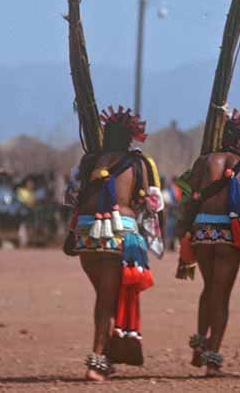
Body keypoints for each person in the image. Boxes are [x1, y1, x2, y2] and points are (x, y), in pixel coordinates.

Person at [62, 106, 164, 382]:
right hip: (119, 233)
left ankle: (107, 355)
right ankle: (97, 361)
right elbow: (153, 203)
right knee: (107, 300)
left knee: (105, 297)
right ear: (130, 138)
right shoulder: (140, 164)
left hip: (86, 234)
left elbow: (71, 196)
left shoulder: (88, 161)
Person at [174, 109, 240, 377]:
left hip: (202, 232)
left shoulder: (204, 160)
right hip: (230, 234)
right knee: (221, 295)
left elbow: (189, 196)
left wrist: (184, 230)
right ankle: (213, 360)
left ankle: (199, 344)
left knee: (208, 289)